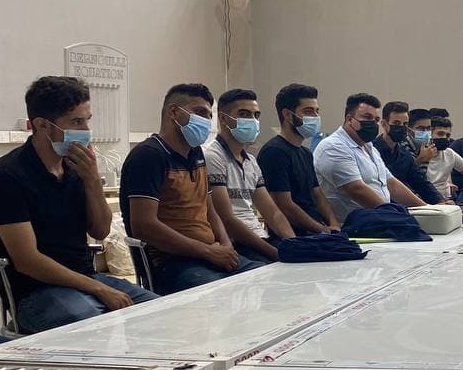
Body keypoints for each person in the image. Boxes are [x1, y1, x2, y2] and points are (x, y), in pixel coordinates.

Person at [0, 75, 158, 332]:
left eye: (87, 120)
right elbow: (28, 260)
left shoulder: (74, 169)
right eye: (76, 122)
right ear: (42, 125)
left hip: (84, 278)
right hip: (36, 292)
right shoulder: (6, 177)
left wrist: (92, 180)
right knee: (92, 324)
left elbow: (100, 230)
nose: (85, 130)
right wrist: (100, 289)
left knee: (159, 311)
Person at [120, 83, 263, 294]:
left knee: (265, 279)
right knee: (223, 293)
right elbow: (144, 225)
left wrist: (226, 246)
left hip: (210, 253)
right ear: (173, 112)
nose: (206, 121)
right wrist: (207, 252)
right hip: (173, 262)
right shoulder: (148, 156)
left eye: (209, 115)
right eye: (200, 112)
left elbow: (210, 209)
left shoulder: (196, 154)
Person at [206, 88, 297, 264]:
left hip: (260, 237)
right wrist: (274, 253)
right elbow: (227, 219)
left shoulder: (251, 162)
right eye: (244, 114)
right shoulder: (213, 156)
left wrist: (294, 244)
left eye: (256, 115)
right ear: (223, 118)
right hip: (238, 243)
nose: (253, 120)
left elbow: (273, 213)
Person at [314, 93, 427, 223]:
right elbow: (357, 190)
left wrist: (426, 208)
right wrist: (395, 216)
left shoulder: (369, 147)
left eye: (376, 120)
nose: (373, 123)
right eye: (367, 117)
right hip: (353, 226)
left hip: (379, 219)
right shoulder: (334, 147)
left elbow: (391, 184)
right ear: (350, 119)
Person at [256, 83, 341, 236]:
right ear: (288, 115)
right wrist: (322, 230)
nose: (315, 117)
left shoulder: (305, 153)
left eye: (316, 111)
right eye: (308, 111)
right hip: (297, 236)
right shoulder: (274, 152)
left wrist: (334, 224)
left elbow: (318, 195)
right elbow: (284, 205)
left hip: (319, 232)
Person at [376, 101, 445, 204]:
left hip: (402, 205)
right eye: (396, 123)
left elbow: (421, 182)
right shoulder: (373, 151)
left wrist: (441, 201)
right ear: (384, 124)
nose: (401, 127)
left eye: (405, 124)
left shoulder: (404, 154)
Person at [427, 116, 463, 197]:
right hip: (426, 198)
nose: (444, 138)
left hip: (447, 198)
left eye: (447, 135)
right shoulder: (419, 153)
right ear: (429, 133)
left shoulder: (449, 153)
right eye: (440, 134)